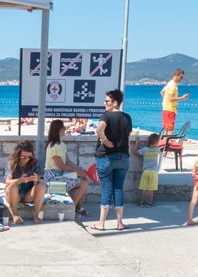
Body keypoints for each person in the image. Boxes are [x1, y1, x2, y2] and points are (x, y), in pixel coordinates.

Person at [93, 89, 132, 232]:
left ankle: (101, 223)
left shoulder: (107, 116)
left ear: (115, 103)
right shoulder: (127, 117)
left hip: (107, 157)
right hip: (123, 157)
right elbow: (128, 139)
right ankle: (120, 223)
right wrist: (127, 154)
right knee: (118, 190)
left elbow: (99, 129)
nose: (104, 104)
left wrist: (105, 140)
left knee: (106, 190)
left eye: (107, 101)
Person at [43, 120, 90, 219]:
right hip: (53, 177)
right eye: (63, 127)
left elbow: (67, 162)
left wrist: (81, 170)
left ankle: (78, 207)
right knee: (83, 183)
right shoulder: (54, 146)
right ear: (59, 130)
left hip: (60, 174)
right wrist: (78, 171)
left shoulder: (61, 145)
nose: (65, 129)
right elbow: (61, 165)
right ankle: (72, 209)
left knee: (84, 181)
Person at [2, 141, 45, 227]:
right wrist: (20, 180)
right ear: (18, 155)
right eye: (24, 157)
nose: (27, 159)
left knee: (42, 186)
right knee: (12, 187)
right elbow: (7, 181)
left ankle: (35, 215)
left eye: (29, 157)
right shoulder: (12, 162)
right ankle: (15, 215)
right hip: (14, 194)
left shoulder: (34, 162)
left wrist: (37, 179)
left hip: (27, 194)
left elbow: (40, 178)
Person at [135, 133, 162, 206]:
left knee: (143, 188)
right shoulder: (157, 150)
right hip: (153, 172)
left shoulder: (144, 150)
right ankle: (149, 202)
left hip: (145, 171)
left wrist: (137, 142)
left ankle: (141, 202)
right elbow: (161, 150)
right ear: (156, 143)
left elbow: (135, 152)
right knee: (151, 189)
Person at [161, 68, 189, 133]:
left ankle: (166, 142)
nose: (181, 79)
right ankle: (169, 142)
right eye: (180, 77)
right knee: (170, 130)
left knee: (167, 129)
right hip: (170, 109)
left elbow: (162, 92)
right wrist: (183, 98)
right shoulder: (173, 85)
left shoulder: (170, 83)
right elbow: (171, 99)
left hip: (166, 108)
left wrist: (166, 101)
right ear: (176, 75)